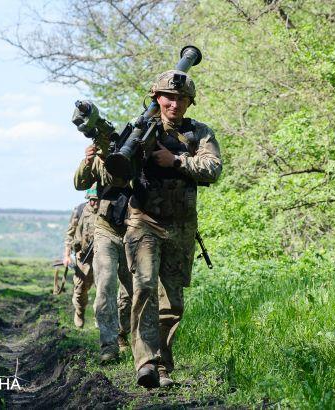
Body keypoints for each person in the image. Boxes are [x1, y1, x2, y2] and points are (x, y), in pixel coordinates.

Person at [123, 70, 222, 387]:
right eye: (168, 97)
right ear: (157, 98)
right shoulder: (139, 129)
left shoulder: (198, 133)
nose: (174, 103)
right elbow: (114, 170)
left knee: (173, 302)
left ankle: (162, 364)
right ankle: (146, 363)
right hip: (144, 222)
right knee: (146, 287)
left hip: (181, 226)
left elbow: (212, 169)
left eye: (181, 98)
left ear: (189, 102)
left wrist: (176, 161)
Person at [74, 146, 133, 364]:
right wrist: (88, 161)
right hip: (106, 229)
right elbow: (79, 184)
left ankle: (125, 335)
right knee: (106, 284)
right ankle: (108, 345)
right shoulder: (101, 160)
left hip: (135, 230)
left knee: (133, 289)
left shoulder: (139, 154)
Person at [63, 185, 99, 328]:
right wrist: (66, 255)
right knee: (80, 290)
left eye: (97, 200)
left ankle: (99, 318)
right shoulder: (79, 210)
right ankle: (79, 311)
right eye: (92, 200)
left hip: (101, 256)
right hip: (82, 257)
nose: (95, 203)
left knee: (102, 289)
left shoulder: (106, 211)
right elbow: (69, 234)